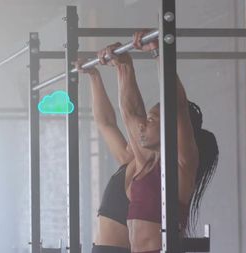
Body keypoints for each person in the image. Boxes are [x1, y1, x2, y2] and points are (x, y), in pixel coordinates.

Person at [75, 31, 218, 253]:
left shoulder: (181, 165)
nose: (142, 125)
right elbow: (130, 111)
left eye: (150, 120)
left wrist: (159, 51)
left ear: (169, 126)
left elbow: (178, 105)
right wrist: (122, 65)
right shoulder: (144, 164)